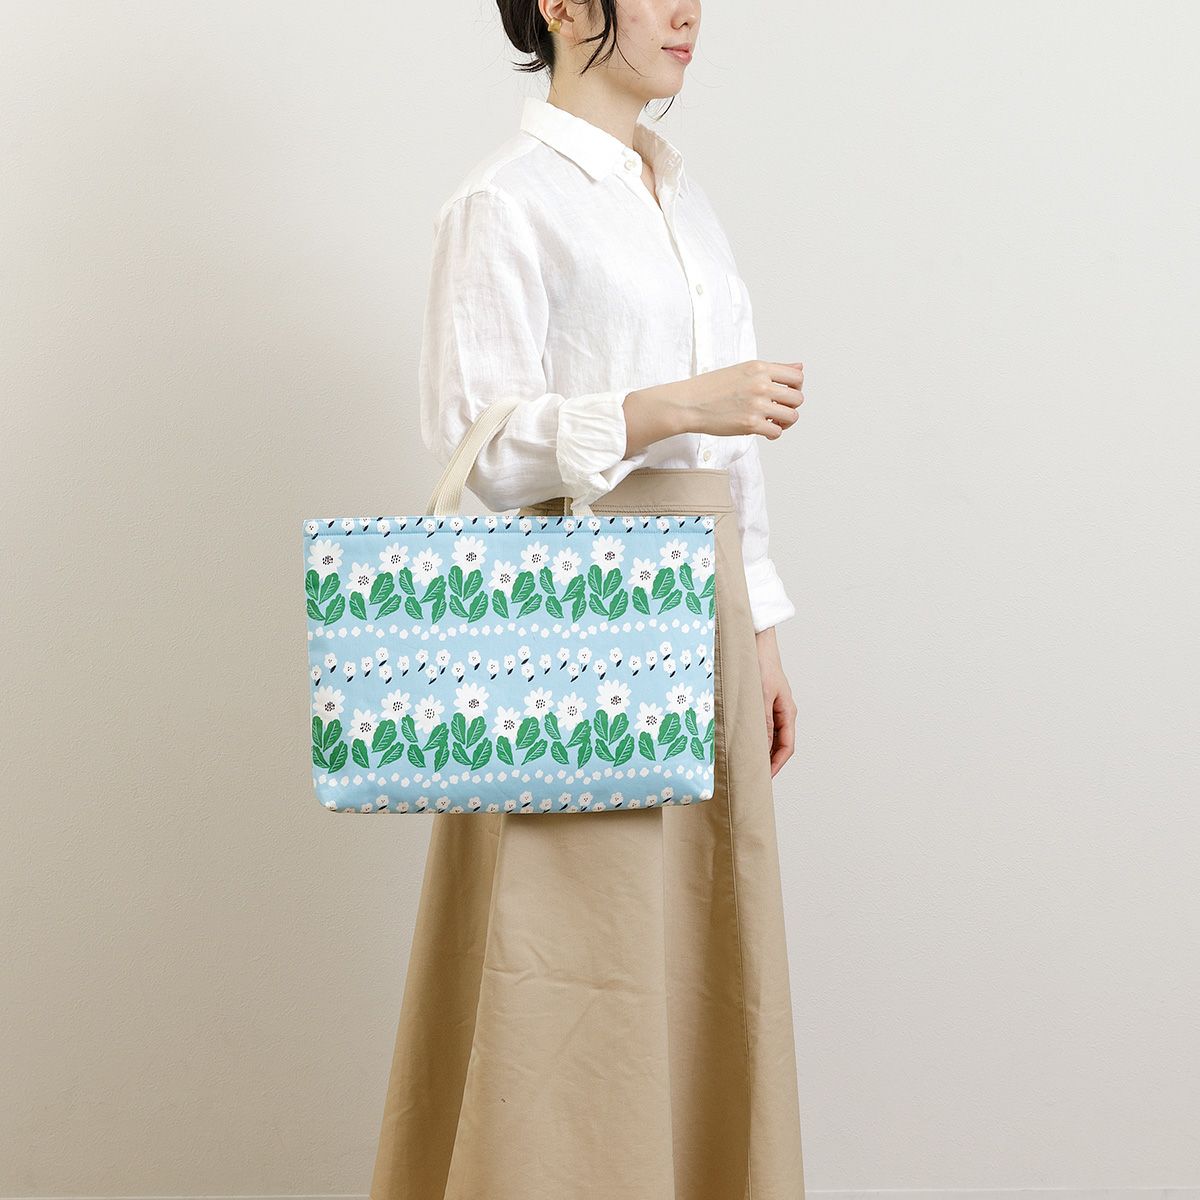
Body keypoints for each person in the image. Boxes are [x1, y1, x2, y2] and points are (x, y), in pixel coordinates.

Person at [369, 2, 807, 1197]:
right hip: (586, 613)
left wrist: (762, 630)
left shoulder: (683, 199)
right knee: (566, 955)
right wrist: (669, 407)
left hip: (706, 604)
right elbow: (477, 444)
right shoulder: (505, 201)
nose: (688, 12)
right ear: (564, 6)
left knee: (701, 940)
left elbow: (736, 462)